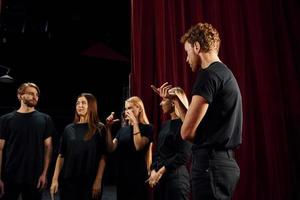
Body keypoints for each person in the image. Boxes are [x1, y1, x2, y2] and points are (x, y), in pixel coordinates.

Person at [157, 22, 243, 200]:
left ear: (197, 47)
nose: (186, 59)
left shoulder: (208, 75)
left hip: (209, 165)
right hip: (223, 165)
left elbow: (187, 132)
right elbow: (197, 123)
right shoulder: (225, 74)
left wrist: (185, 123)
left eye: (187, 52)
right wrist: (176, 102)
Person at [0, 82, 54, 200]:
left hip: (35, 177)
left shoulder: (45, 119)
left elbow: (48, 148)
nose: (35, 96)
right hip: (10, 176)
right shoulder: (6, 119)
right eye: (30, 93)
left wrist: (44, 174)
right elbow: (0, 148)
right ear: (20, 96)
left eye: (36, 94)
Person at [50, 93, 107, 200]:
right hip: (69, 182)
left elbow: (103, 157)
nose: (79, 106)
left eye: (83, 103)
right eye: (77, 103)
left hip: (90, 182)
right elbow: (61, 156)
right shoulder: (69, 129)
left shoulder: (100, 128)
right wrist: (54, 179)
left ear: (91, 106)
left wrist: (98, 180)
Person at [148, 86, 192, 200]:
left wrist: (160, 171)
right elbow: (158, 152)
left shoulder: (185, 125)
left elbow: (183, 155)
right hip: (160, 179)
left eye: (163, 100)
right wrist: (153, 170)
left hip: (176, 180)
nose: (160, 104)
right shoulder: (165, 124)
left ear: (173, 102)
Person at [106, 96, 153, 200]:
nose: (127, 111)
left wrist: (135, 123)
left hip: (138, 176)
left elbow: (138, 146)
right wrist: (108, 128)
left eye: (130, 108)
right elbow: (111, 148)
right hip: (122, 175)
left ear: (139, 108)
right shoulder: (123, 130)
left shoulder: (147, 128)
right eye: (126, 108)